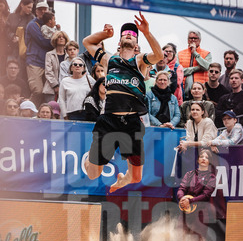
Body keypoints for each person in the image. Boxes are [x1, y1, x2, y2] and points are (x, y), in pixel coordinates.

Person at [80, 13, 163, 192]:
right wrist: (104, 35)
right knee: (93, 174)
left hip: (132, 122)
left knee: (136, 177)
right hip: (109, 121)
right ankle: (89, 159)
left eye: (133, 35)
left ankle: (122, 180)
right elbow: (87, 42)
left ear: (136, 45)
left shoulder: (140, 61)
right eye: (125, 33)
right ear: (119, 42)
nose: (128, 35)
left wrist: (147, 33)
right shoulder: (109, 60)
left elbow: (159, 54)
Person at [24, 9, 56, 105]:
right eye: (40, 9)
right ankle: (28, 108)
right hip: (35, 61)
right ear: (36, 11)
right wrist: (55, 41)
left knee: (47, 92)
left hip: (47, 62)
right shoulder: (33, 25)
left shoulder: (49, 27)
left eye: (45, 9)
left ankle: (43, 112)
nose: (43, 11)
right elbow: (42, 41)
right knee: (37, 90)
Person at [176, 149, 217, 215]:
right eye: (201, 157)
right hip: (186, 208)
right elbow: (181, 189)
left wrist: (190, 201)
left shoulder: (212, 177)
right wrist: (182, 199)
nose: (203, 159)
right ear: (198, 160)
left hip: (201, 212)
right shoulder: (189, 174)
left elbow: (205, 195)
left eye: (206, 158)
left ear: (209, 161)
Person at [58, 55, 96, 120]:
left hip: (88, 113)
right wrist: (64, 115)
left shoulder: (90, 79)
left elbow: (97, 93)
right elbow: (61, 99)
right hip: (72, 114)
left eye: (80, 65)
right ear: (71, 68)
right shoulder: (65, 81)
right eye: (75, 64)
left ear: (84, 68)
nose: (78, 66)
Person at [177, 30, 211, 96]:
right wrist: (198, 68)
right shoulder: (180, 54)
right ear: (187, 40)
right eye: (190, 38)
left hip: (201, 92)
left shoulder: (207, 54)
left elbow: (207, 67)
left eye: (195, 38)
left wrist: (195, 53)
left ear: (200, 40)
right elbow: (179, 72)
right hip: (183, 91)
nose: (193, 40)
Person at [44, 29, 70, 103]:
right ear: (55, 40)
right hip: (51, 90)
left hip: (66, 88)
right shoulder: (49, 54)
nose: (61, 38)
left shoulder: (69, 56)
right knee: (51, 110)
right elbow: (48, 72)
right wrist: (55, 86)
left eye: (63, 37)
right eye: (59, 37)